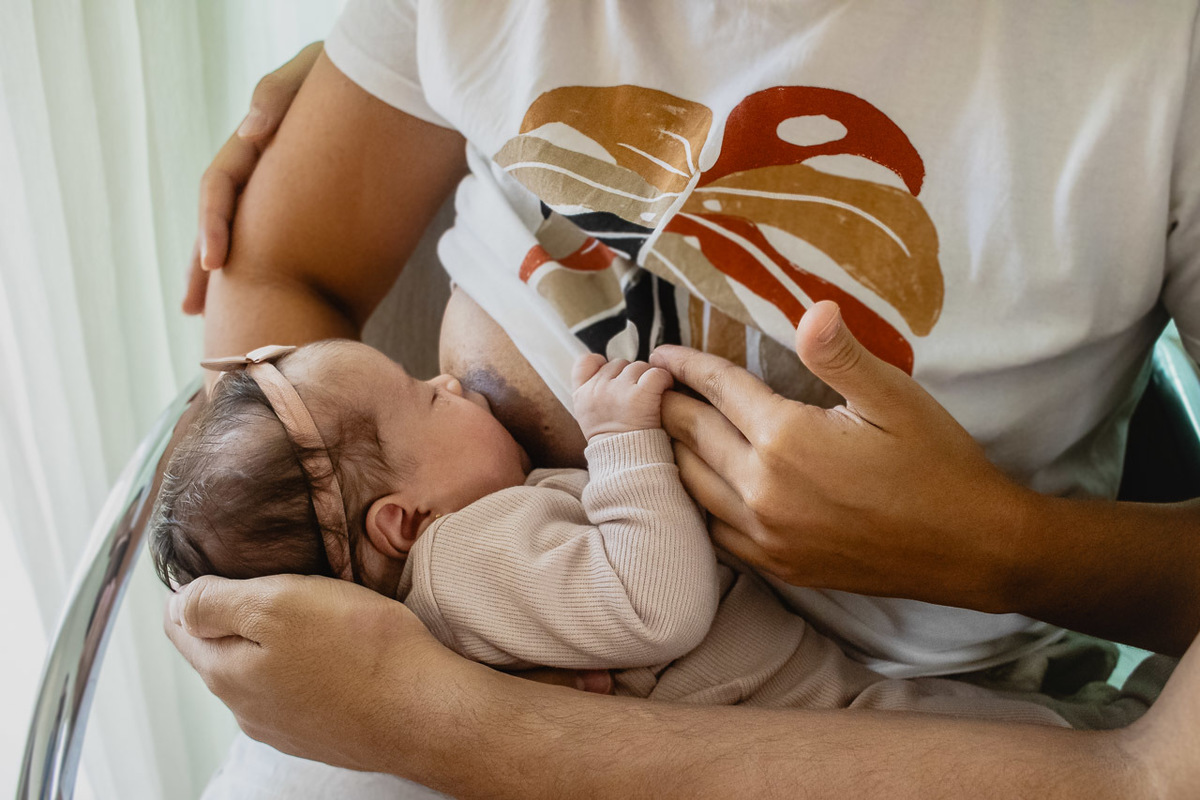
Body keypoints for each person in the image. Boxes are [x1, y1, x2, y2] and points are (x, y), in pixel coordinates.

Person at [168, 2, 1200, 796]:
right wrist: (346, 584)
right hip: (444, 662)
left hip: (893, 720)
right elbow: (285, 262)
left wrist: (1000, 547)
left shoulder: (1158, 58)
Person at [154, 340, 1083, 727]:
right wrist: (622, 441)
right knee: (1032, 749)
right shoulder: (466, 558)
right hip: (813, 711)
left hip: (808, 680)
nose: (447, 382)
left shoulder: (457, 559)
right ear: (403, 522)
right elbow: (656, 607)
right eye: (419, 397)